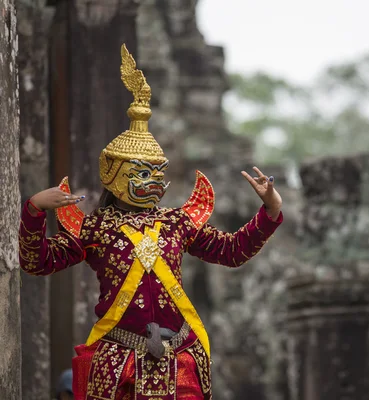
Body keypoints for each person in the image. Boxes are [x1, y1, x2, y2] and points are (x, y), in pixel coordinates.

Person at [18, 44, 283, 400]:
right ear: (114, 172)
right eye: (143, 172)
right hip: (117, 362)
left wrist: (269, 212)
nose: (154, 181)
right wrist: (34, 210)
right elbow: (37, 262)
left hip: (179, 359)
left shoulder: (176, 222)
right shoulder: (95, 228)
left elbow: (232, 252)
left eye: (159, 172)